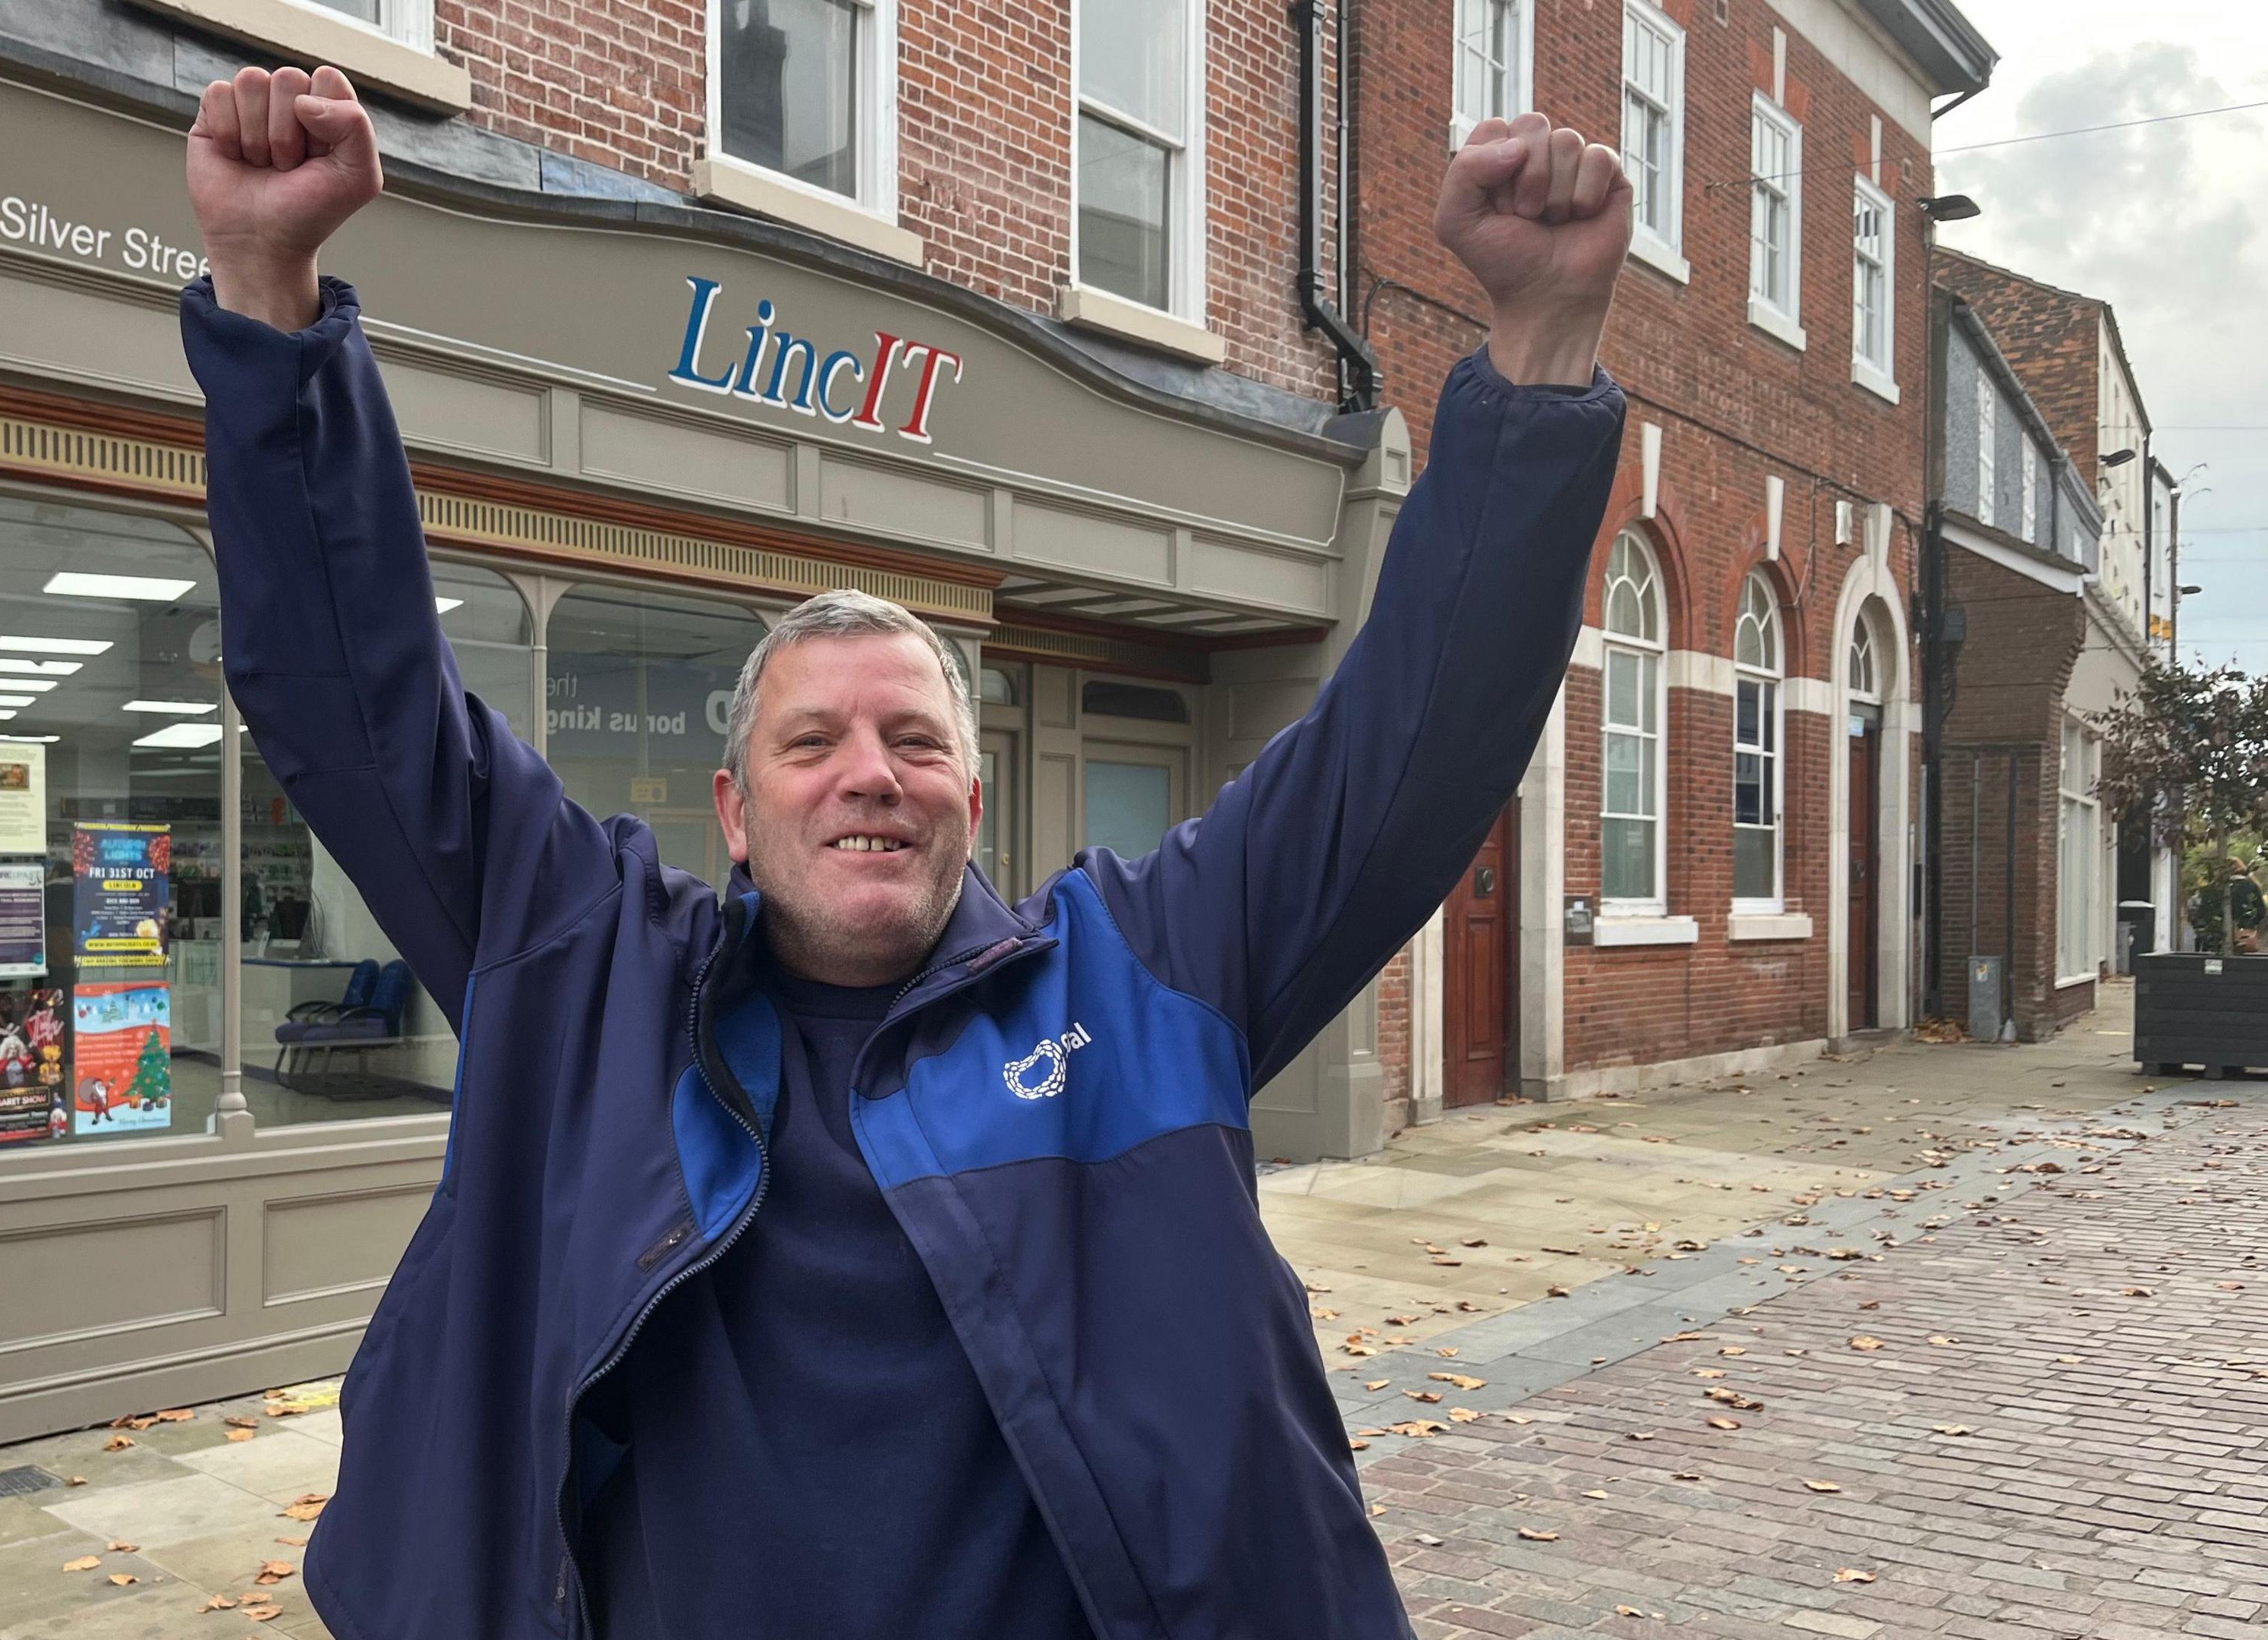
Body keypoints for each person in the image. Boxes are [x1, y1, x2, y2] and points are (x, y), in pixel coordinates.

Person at [181, 64, 1630, 1640]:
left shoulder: (1138, 982)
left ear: (973, 799)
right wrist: (269, 304)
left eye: (916, 740)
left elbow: (1411, 755)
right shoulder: (590, 979)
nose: (869, 776)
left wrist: (1541, 358)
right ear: (735, 813)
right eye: (811, 744)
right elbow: (353, 695)